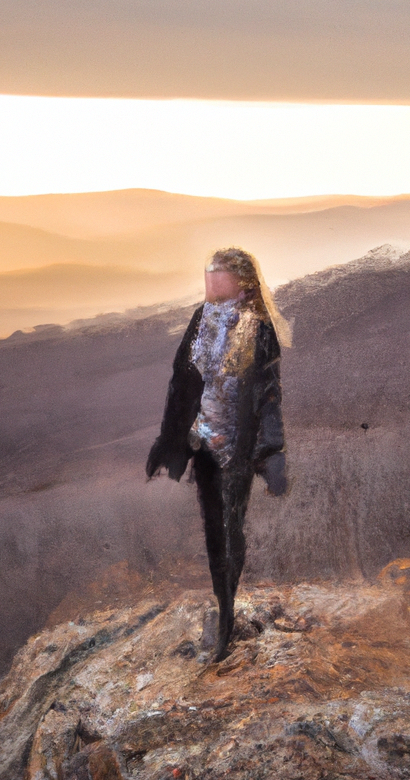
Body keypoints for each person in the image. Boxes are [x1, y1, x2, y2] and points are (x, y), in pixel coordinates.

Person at [146, 247, 290, 662]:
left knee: (230, 530)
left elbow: (269, 395)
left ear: (241, 281)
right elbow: (181, 380)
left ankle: (227, 616)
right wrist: (169, 439)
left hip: (237, 449)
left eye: (218, 275)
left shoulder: (259, 328)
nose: (209, 282)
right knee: (214, 532)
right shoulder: (202, 318)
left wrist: (273, 453)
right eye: (208, 274)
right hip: (203, 444)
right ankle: (223, 606)